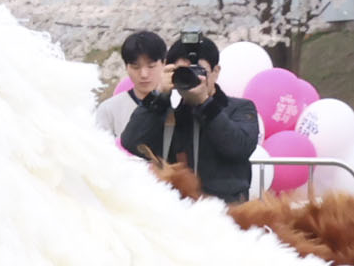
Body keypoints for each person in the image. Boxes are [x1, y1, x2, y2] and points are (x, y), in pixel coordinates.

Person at [122, 35, 265, 201]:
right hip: (179, 211)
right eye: (183, 72)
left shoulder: (239, 108)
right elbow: (132, 142)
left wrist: (205, 104)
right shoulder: (167, 115)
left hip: (226, 215)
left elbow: (239, 147)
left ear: (215, 72)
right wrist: (158, 97)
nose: (192, 78)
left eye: (198, 71)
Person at [99, 30, 168, 138]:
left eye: (151, 66)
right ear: (126, 67)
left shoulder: (178, 105)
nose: (144, 74)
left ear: (164, 63)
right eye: (136, 67)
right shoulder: (109, 110)